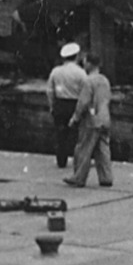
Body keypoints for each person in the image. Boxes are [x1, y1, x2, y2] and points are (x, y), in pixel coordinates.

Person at [69, 52, 115, 187]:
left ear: (89, 63)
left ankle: (79, 177)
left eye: (85, 61)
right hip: (105, 118)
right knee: (103, 149)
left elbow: (83, 102)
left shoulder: (89, 81)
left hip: (91, 120)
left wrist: (75, 118)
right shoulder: (105, 80)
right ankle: (106, 177)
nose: (83, 64)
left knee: (83, 148)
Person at [45, 41, 87, 169]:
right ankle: (77, 161)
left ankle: (61, 160)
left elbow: (50, 90)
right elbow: (85, 92)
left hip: (60, 103)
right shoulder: (81, 73)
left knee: (60, 134)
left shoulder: (56, 71)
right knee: (76, 134)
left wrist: (52, 105)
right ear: (77, 56)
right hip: (74, 104)